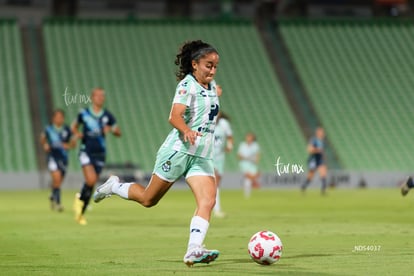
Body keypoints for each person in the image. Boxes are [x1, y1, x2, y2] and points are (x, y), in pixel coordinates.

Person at [93, 40, 221, 267]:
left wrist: (216, 92)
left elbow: (207, 104)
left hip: (201, 155)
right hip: (178, 151)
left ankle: (194, 249)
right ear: (194, 65)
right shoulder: (186, 85)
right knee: (148, 199)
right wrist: (186, 130)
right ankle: (114, 186)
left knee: (208, 200)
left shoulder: (211, 86)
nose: (212, 70)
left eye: (215, 66)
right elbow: (174, 116)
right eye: (208, 65)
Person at [72, 87, 121, 225]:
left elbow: (118, 132)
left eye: (102, 96)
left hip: (100, 154)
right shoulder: (84, 113)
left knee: (91, 183)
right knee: (92, 180)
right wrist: (77, 134)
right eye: (98, 96)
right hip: (85, 151)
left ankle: (80, 202)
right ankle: (80, 213)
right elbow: (74, 127)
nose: (100, 98)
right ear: (92, 97)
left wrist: (111, 129)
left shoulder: (108, 116)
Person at [40, 109, 75, 211]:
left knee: (58, 181)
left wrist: (68, 145)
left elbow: (73, 144)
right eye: (57, 117)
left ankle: (52, 194)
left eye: (61, 117)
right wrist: (45, 145)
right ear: (53, 118)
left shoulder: (67, 130)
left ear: (63, 118)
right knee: (57, 178)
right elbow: (42, 139)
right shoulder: (49, 129)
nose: (59, 119)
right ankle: (58, 203)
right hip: (52, 157)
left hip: (63, 158)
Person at [213, 111, 233, 218]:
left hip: (219, 156)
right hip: (208, 156)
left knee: (217, 183)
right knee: (214, 182)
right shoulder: (206, 122)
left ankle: (215, 208)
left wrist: (230, 146)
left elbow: (230, 136)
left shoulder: (224, 124)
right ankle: (216, 209)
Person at [301, 127, 328, 195]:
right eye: (321, 132)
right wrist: (317, 150)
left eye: (323, 132)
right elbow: (309, 150)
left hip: (319, 160)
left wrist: (322, 155)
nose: (322, 133)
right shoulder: (314, 140)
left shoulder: (322, 141)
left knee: (323, 173)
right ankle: (304, 186)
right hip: (313, 160)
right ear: (317, 132)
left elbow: (321, 151)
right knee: (311, 175)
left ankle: (323, 190)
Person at [238, 132, 260, 198]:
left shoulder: (255, 145)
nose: (248, 138)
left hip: (252, 165)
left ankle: (247, 194)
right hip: (244, 164)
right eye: (248, 137)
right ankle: (255, 183)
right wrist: (246, 158)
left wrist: (256, 160)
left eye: (250, 137)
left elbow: (257, 155)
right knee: (248, 177)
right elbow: (239, 155)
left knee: (248, 180)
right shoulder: (242, 145)